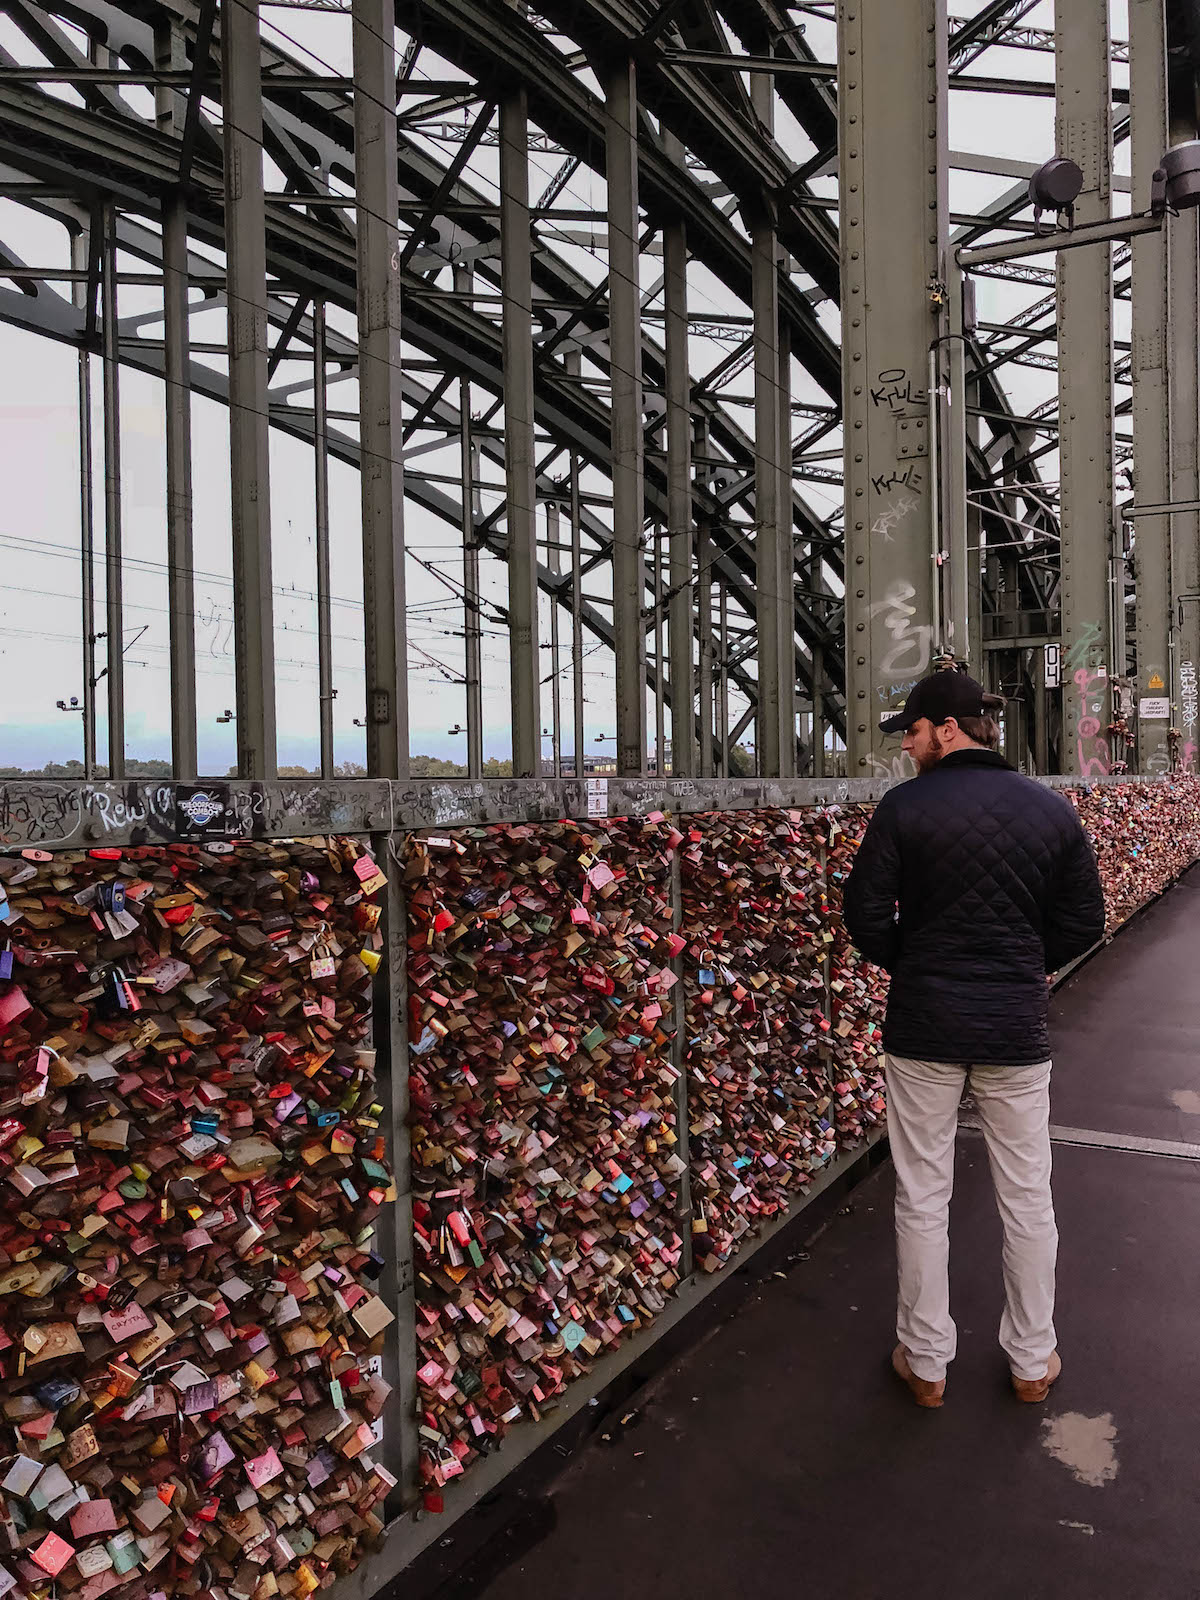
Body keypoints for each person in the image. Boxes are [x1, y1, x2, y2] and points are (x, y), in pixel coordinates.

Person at [842, 669, 1105, 1410]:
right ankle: (1031, 1360)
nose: (910, 746)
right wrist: (1022, 968)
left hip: (923, 1025)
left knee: (924, 1194)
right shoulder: (1051, 811)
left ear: (947, 728)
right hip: (1014, 1030)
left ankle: (926, 1364)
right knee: (1028, 1198)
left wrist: (919, 964)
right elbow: (1085, 920)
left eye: (915, 732)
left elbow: (863, 915)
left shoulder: (904, 808)